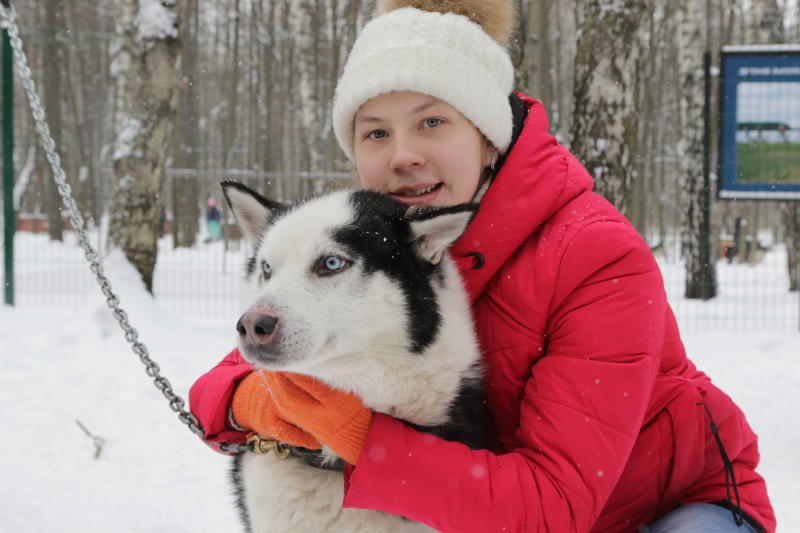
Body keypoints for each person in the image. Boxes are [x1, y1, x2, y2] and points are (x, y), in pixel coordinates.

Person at [189, 1, 775, 531]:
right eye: (375, 133)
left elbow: (555, 505)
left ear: (488, 136)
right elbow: (229, 374)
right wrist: (252, 401)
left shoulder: (595, 254)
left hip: (660, 507)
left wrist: (360, 438)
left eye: (432, 122)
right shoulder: (370, 239)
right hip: (490, 510)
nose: (403, 155)